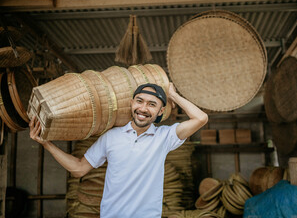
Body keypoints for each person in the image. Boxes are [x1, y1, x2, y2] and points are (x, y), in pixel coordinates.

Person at [29, 82, 208, 218]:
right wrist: (47, 144)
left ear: (160, 111)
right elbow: (79, 169)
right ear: (132, 103)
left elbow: (200, 118)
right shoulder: (111, 137)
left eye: (152, 104)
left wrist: (173, 96)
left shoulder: (164, 137)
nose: (143, 108)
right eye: (139, 101)